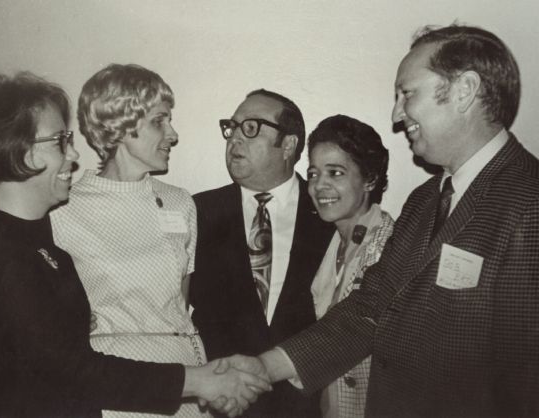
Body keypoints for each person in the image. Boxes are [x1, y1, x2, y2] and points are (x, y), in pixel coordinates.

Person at [223, 24, 539, 417]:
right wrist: (266, 367)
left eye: (408, 94)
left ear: (465, 90)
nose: (396, 113)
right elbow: (370, 308)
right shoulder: (425, 200)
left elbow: (527, 383)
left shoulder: (529, 203)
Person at [0, 72, 270, 418]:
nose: (74, 156)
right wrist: (200, 382)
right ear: (18, 151)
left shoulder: (23, 236)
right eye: (59, 142)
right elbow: (71, 371)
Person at [49, 63, 217, 418]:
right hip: (121, 389)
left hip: (188, 382)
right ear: (121, 125)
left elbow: (179, 304)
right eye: (159, 120)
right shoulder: (63, 211)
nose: (172, 134)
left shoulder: (180, 202)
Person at [190, 89, 335, 417]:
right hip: (221, 406)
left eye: (251, 128)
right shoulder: (198, 212)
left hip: (308, 407)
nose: (234, 140)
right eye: (233, 127)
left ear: (288, 145)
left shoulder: (329, 214)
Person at [306, 114, 394, 418]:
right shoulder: (323, 243)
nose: (320, 186)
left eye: (336, 173)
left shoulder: (390, 246)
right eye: (314, 174)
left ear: (369, 178)